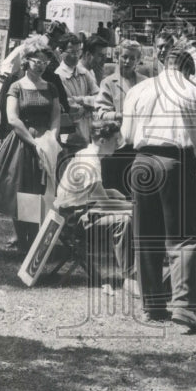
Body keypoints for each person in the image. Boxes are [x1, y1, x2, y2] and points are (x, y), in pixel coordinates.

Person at [122, 41, 196, 333]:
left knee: (146, 233)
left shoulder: (139, 90)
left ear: (165, 64)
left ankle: (153, 304)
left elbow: (127, 134)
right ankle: (183, 306)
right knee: (184, 236)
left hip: (141, 161)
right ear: (188, 69)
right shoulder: (194, 93)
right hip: (175, 161)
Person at [0, 39, 62, 251]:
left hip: (46, 141)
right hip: (23, 142)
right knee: (23, 190)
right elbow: (12, 119)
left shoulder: (51, 87)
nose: (41, 65)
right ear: (26, 61)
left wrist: (51, 139)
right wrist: (34, 143)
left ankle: (39, 238)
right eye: (36, 61)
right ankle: (24, 239)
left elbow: (56, 115)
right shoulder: (16, 86)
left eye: (45, 62)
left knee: (43, 190)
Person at [55, 120, 133, 288]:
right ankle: (131, 277)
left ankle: (136, 273)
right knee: (125, 220)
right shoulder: (90, 161)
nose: (118, 144)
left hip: (75, 214)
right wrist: (136, 207)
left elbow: (93, 193)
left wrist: (110, 192)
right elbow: (104, 205)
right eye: (115, 140)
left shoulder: (87, 154)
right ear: (102, 141)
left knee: (127, 214)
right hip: (72, 222)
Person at [52, 32, 98, 153]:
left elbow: (99, 98)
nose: (76, 56)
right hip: (71, 135)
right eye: (72, 52)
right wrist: (89, 103)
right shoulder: (58, 76)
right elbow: (69, 105)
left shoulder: (84, 72)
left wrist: (82, 101)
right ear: (60, 52)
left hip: (89, 131)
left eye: (78, 52)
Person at [95, 39, 145, 125]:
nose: (127, 61)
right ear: (117, 56)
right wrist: (120, 116)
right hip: (118, 132)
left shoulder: (145, 82)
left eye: (132, 58)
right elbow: (102, 113)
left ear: (137, 60)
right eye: (124, 57)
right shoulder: (108, 83)